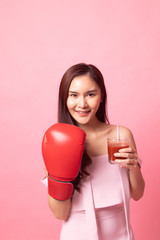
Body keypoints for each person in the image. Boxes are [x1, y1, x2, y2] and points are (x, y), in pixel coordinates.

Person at [42, 63, 145, 240]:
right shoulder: (57, 141)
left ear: (102, 96)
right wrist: (60, 174)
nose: (82, 104)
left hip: (121, 235)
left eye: (90, 94)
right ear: (65, 99)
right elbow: (59, 213)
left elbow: (137, 194)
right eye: (73, 95)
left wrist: (134, 167)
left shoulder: (120, 135)